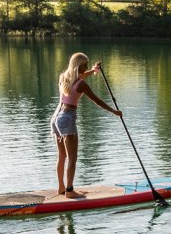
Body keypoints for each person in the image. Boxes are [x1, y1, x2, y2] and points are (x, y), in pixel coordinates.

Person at [51, 53, 122, 199]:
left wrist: (94, 71)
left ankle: (61, 188)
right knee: (72, 157)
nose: (87, 67)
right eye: (85, 65)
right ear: (79, 65)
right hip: (67, 118)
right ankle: (69, 191)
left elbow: (80, 76)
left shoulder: (64, 77)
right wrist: (114, 111)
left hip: (56, 118)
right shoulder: (81, 84)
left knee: (62, 156)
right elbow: (97, 101)